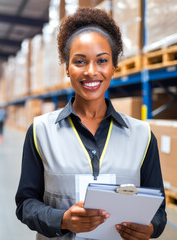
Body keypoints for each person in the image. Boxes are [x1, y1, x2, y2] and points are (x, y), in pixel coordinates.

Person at [15, 7, 166, 240]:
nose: (91, 71)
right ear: (67, 68)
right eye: (80, 62)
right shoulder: (40, 131)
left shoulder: (142, 135)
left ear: (114, 67)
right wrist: (62, 219)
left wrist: (150, 228)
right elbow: (25, 204)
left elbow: (159, 211)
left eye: (102, 60)